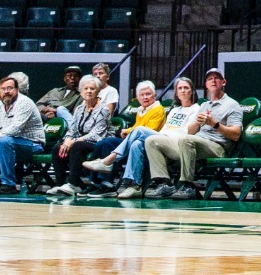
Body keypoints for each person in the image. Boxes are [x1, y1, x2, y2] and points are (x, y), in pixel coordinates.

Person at [143, 67, 242, 199]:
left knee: (186, 139)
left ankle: (187, 184)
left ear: (223, 82)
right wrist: (198, 122)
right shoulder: (204, 105)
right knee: (152, 140)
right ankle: (164, 183)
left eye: (216, 78)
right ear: (206, 85)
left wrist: (215, 124)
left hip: (217, 147)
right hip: (194, 145)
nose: (213, 81)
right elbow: (191, 131)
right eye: (209, 79)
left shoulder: (232, 105)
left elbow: (236, 135)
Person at [110, 77, 192, 198]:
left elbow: (149, 129)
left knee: (138, 131)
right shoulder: (174, 110)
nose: (145, 97)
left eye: (148, 94)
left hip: (172, 142)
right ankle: (134, 185)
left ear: (154, 95)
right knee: (135, 144)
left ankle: (111, 159)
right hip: (160, 138)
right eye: (180, 88)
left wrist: (128, 130)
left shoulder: (194, 109)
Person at [0, 72, 45, 194]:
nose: (6, 91)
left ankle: (9, 184)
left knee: (4, 141)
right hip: (11, 143)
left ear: (17, 89)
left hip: (33, 144)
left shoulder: (25, 103)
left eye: (10, 88)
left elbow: (15, 129)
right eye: (3, 89)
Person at [48, 73, 120, 196]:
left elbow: (97, 134)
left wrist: (74, 141)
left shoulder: (104, 109)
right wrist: (67, 140)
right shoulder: (79, 109)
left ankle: (73, 184)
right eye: (86, 89)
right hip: (82, 140)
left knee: (77, 146)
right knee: (58, 147)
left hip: (99, 142)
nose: (89, 91)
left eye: (92, 89)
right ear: (81, 91)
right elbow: (72, 129)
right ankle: (60, 184)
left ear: (98, 92)